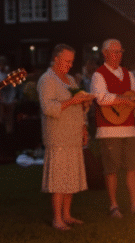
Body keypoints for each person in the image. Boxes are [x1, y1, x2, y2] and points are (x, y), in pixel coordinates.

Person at [91, 39, 135, 218]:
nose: (118, 55)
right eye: (115, 52)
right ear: (105, 53)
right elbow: (101, 98)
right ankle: (114, 206)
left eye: (121, 52)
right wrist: (124, 100)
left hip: (129, 129)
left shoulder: (128, 74)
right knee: (111, 169)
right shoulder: (99, 75)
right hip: (108, 129)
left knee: (133, 167)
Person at [38, 44, 95, 230]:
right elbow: (48, 108)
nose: (70, 65)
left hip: (73, 134)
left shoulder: (70, 79)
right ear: (56, 59)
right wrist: (73, 100)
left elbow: (79, 108)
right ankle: (57, 218)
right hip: (58, 136)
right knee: (60, 179)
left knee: (71, 177)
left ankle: (67, 214)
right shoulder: (47, 80)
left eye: (71, 62)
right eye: (66, 61)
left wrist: (84, 128)